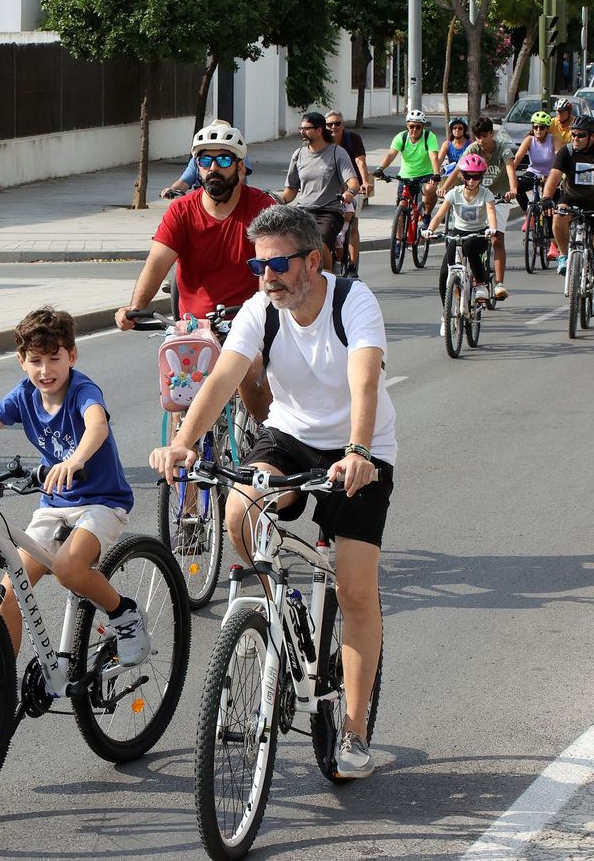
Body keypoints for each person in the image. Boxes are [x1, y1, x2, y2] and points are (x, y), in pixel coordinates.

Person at [150, 204, 394, 779]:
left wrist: (359, 452)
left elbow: (364, 380)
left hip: (360, 449)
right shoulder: (260, 309)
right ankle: (278, 610)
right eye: (258, 266)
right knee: (240, 511)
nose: (267, 277)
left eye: (279, 264)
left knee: (356, 592)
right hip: (288, 436)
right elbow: (223, 376)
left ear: (313, 261)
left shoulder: (352, 302)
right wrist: (183, 443)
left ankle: (354, 730)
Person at [0, 308, 147, 727]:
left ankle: (124, 615)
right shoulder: (23, 395)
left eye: (54, 358)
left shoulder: (82, 391)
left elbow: (96, 427)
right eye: (35, 360)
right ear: (22, 361)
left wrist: (75, 460)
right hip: (54, 504)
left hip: (101, 501)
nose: (45, 370)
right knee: (7, 595)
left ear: (72, 356)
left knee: (70, 569)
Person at [116, 119, 275, 421]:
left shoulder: (261, 207)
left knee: (250, 369)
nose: (213, 167)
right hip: (193, 328)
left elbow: (268, 269)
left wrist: (262, 311)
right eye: (205, 160)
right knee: (179, 395)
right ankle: (181, 448)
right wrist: (135, 307)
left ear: (240, 167)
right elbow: (157, 262)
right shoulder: (181, 211)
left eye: (224, 160)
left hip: (246, 322)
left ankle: (269, 439)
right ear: (197, 167)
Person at [542, 115, 594, 315]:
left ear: (593, 136)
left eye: (580, 135)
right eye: (573, 134)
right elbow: (554, 175)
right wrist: (546, 198)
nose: (575, 138)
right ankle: (563, 256)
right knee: (558, 216)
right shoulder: (567, 151)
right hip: (572, 196)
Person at [440, 117, 519, 299]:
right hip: (476, 197)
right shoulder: (473, 149)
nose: (481, 140)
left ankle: (499, 284)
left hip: (498, 198)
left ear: (492, 134)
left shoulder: (502, 148)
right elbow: (459, 170)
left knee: (497, 239)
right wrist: (444, 187)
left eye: (484, 135)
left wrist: (513, 189)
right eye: (477, 137)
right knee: (466, 235)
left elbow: (510, 168)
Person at [281, 111, 363, 269]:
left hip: (329, 212)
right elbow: (290, 191)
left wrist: (349, 192)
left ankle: (328, 280)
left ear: (319, 130)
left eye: (307, 128)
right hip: (303, 211)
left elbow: (353, 182)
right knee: (289, 245)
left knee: (320, 244)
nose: (302, 132)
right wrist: (277, 199)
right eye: (301, 128)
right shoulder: (298, 154)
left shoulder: (337, 152)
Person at [426, 152, 498, 310]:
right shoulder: (454, 193)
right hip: (457, 233)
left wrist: (492, 229)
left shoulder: (486, 194)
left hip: (479, 234)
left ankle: (481, 284)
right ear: (461, 176)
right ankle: (446, 313)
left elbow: (491, 213)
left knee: (470, 246)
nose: (471, 181)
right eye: (468, 176)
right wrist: (429, 229)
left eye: (476, 177)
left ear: (481, 177)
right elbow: (439, 215)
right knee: (445, 273)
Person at [373, 109, 442, 221]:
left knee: (430, 189)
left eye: (418, 127)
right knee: (401, 208)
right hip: (405, 176)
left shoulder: (429, 137)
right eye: (411, 126)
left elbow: (433, 157)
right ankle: (398, 232)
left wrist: (436, 174)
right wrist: (380, 168)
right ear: (407, 126)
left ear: (422, 127)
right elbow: (391, 154)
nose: (414, 129)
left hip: (426, 175)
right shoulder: (401, 137)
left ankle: (427, 216)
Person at [326, 110, 373, 275]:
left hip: (352, 186)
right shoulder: (322, 140)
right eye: (329, 124)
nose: (333, 127)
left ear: (343, 125)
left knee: (353, 224)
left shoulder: (353, 139)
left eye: (337, 123)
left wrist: (365, 182)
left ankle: (352, 264)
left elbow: (360, 162)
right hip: (331, 187)